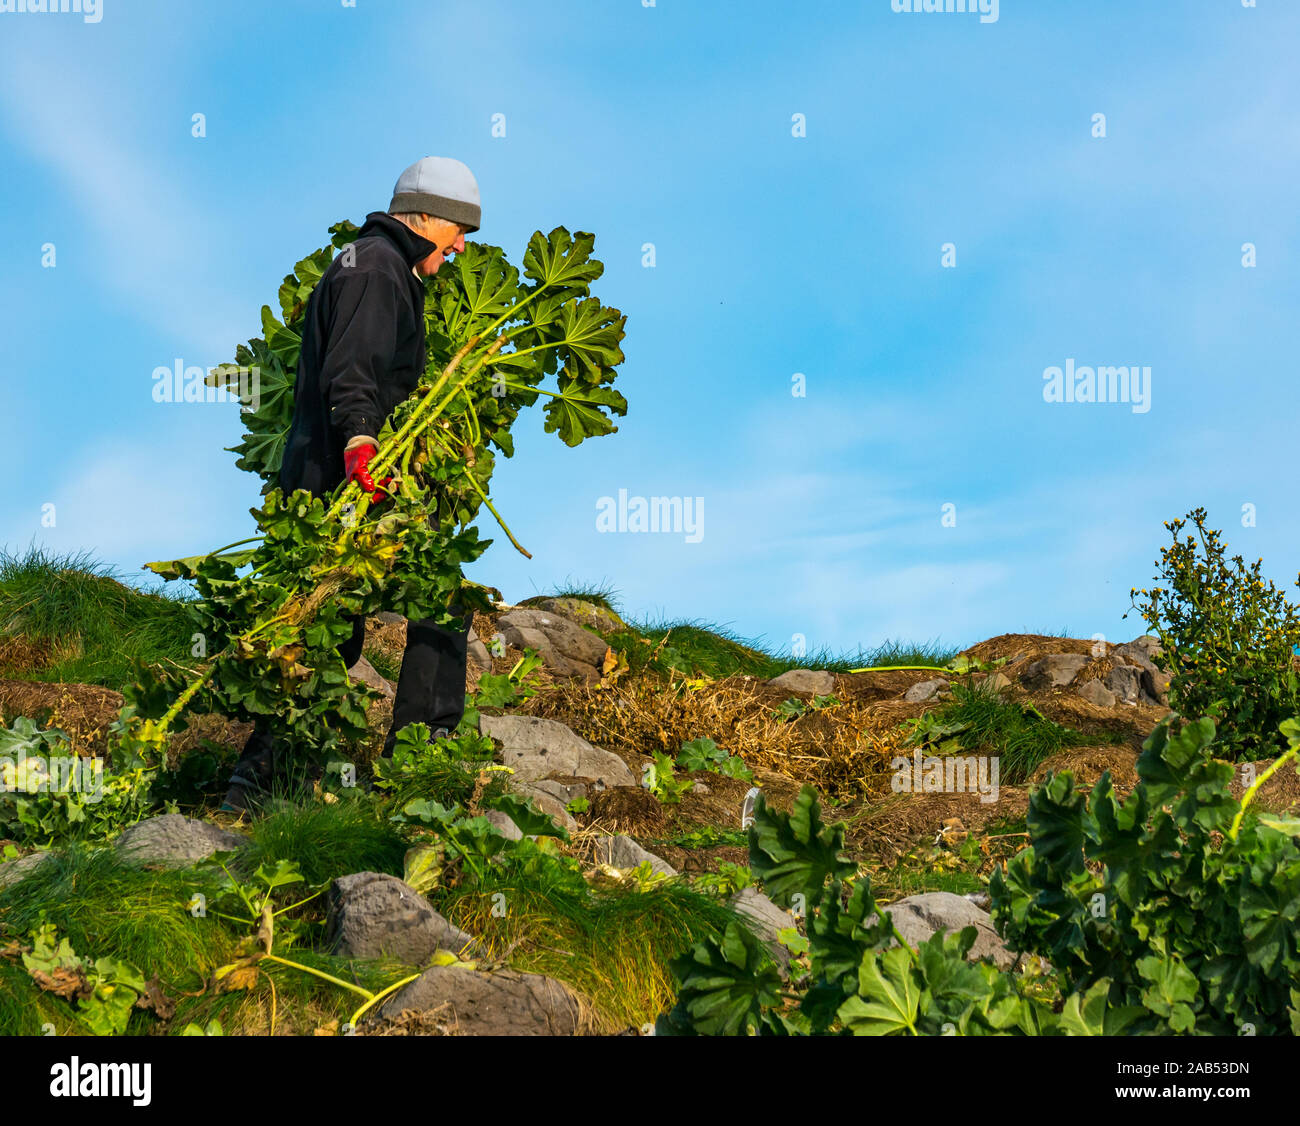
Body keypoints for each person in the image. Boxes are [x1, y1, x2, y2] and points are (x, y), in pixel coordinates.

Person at [220, 157, 484, 815]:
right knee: (430, 595)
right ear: (428, 215)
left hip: (335, 473)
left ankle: (259, 791)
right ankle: (415, 767)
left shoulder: (370, 261)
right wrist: (364, 439)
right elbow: (353, 365)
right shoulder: (377, 267)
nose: (459, 248)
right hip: (346, 476)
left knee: (326, 633)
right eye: (460, 232)